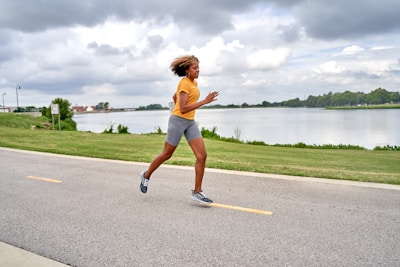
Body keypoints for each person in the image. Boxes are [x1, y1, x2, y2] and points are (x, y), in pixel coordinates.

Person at [140, 55, 219, 204]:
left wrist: (184, 107)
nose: (198, 70)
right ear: (187, 70)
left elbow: (175, 97)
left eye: (198, 68)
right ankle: (146, 175)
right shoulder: (184, 83)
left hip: (190, 122)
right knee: (167, 154)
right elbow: (182, 109)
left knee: (202, 156)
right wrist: (205, 101)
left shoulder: (193, 83)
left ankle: (197, 192)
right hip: (178, 121)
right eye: (195, 68)